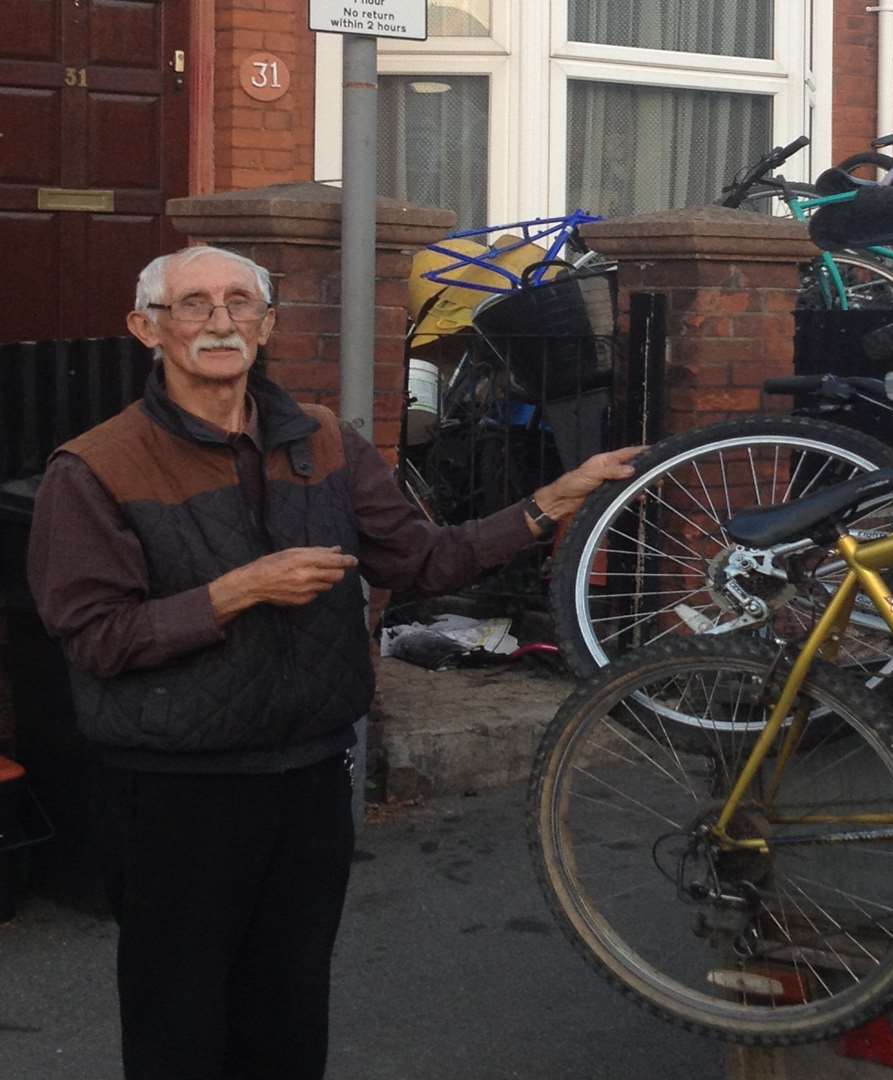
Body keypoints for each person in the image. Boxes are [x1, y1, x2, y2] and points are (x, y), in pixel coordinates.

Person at [26, 245, 642, 1079]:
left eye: (240, 302)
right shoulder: (96, 466)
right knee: (178, 1021)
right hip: (175, 792)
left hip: (310, 778)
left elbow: (422, 562)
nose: (219, 321)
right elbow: (95, 638)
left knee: (287, 1015)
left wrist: (550, 503)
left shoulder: (320, 439)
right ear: (147, 328)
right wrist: (236, 591)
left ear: (268, 325)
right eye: (194, 304)